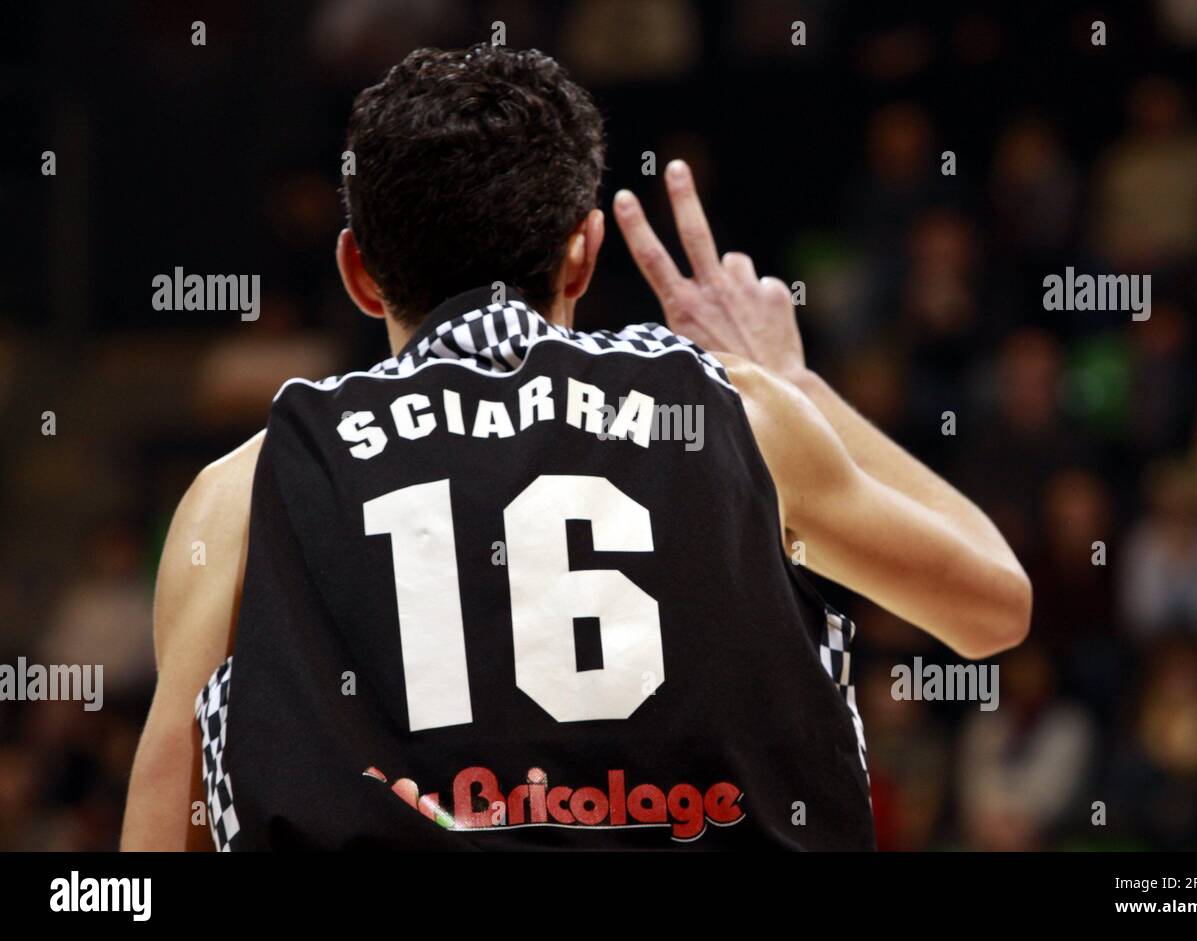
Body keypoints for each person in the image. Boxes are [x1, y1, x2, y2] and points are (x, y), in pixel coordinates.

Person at [121, 44, 1030, 851]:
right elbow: (995, 605)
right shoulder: (739, 415)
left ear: (357, 272)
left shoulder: (246, 488)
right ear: (584, 256)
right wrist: (797, 383)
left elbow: (161, 835)